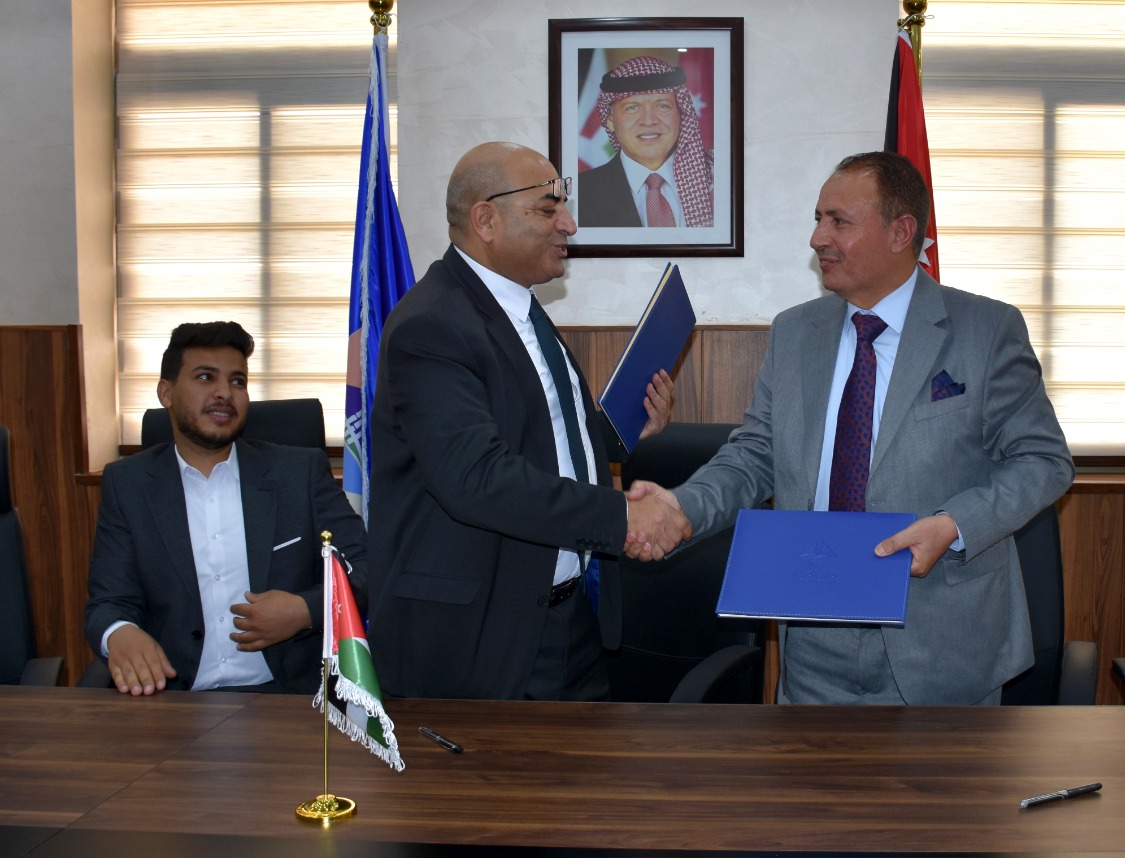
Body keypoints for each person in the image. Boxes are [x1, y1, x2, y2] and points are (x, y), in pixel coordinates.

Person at [628, 152, 1074, 706]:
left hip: (942, 640)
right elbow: (755, 455)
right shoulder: (796, 332)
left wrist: (953, 525)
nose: (818, 238)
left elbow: (1043, 462)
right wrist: (681, 506)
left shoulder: (986, 330)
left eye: (838, 221)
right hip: (813, 639)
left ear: (900, 232)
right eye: (818, 218)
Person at [365, 141, 685, 701]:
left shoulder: (519, 308)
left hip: (570, 621)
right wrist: (623, 517)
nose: (569, 224)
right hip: (481, 639)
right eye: (547, 208)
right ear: (485, 220)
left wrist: (620, 431)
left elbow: (540, 433)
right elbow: (477, 477)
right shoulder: (432, 324)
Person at [84, 321, 367, 696]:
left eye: (238, 381)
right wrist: (119, 633)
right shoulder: (129, 484)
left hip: (290, 698)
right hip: (173, 697)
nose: (224, 393)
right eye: (205, 377)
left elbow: (366, 569)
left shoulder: (298, 473)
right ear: (166, 393)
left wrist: (305, 610)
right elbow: (108, 601)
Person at [577, 55, 714, 229]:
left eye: (662, 106)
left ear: (681, 114)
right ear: (610, 120)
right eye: (632, 108)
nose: (648, 121)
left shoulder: (716, 179)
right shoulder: (582, 192)